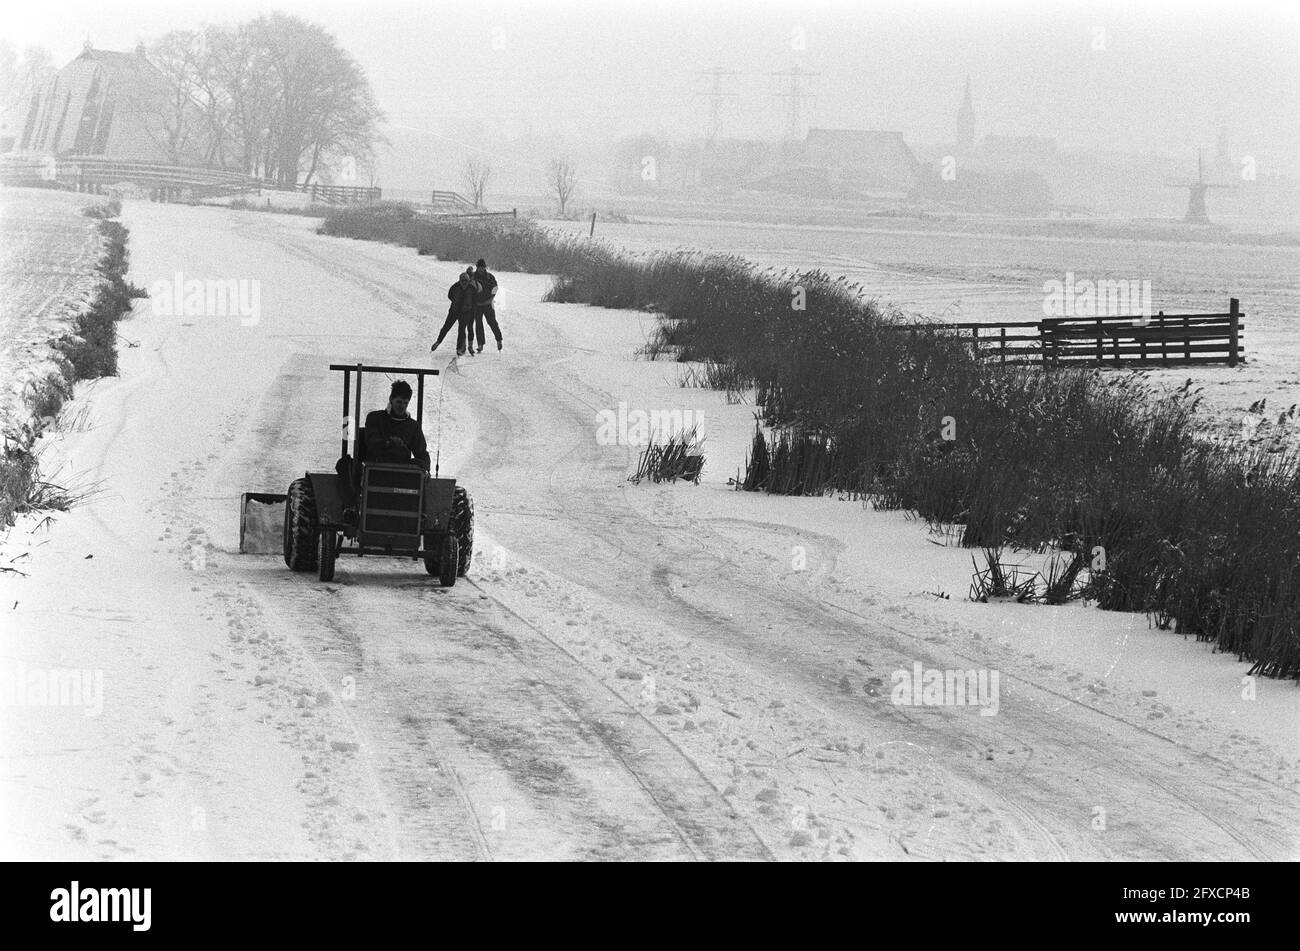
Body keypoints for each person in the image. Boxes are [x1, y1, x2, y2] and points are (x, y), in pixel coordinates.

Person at [335, 380, 430, 517]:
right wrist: (389, 442)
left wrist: (426, 468)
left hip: (401, 470)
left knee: (420, 466)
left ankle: (421, 513)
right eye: (399, 401)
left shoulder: (412, 426)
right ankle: (351, 507)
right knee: (343, 463)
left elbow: (421, 452)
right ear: (391, 399)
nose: (402, 406)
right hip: (374, 464)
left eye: (405, 402)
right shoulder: (375, 418)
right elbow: (371, 442)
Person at [431, 267, 480, 356]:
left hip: (465, 312)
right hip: (454, 311)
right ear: (459, 281)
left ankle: (459, 348)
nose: (464, 283)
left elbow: (475, 300)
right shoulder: (455, 287)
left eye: (465, 281)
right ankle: (438, 342)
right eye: (462, 281)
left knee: (461, 330)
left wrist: (470, 310)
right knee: (446, 327)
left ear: (468, 281)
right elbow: (450, 295)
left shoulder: (472, 288)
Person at [472, 258, 503, 352]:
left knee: (492, 322)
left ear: (485, 267)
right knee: (478, 324)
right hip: (477, 304)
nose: (481, 269)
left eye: (482, 267)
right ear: (476, 267)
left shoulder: (490, 277)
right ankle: (480, 345)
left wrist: (491, 299)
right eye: (479, 267)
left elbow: (495, 288)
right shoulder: (472, 277)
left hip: (488, 303)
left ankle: (499, 339)